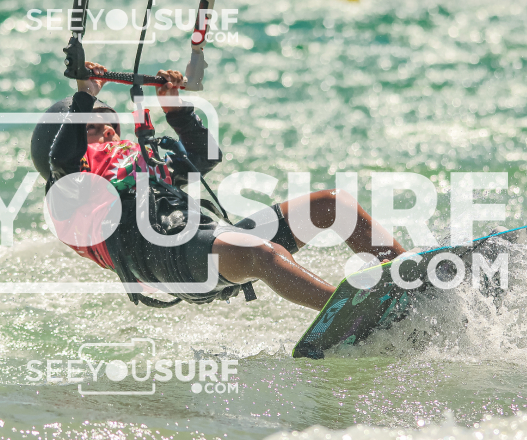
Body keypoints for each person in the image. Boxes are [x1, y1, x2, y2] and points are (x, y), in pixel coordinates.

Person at [31, 61, 407, 311]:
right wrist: (85, 96)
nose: (108, 129)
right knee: (263, 254)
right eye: (91, 127)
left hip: (202, 239)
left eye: (109, 122)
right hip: (160, 257)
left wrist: (175, 108)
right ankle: (352, 312)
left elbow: (205, 157)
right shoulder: (67, 193)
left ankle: (409, 281)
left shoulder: (142, 163)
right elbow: (62, 158)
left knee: (332, 205)